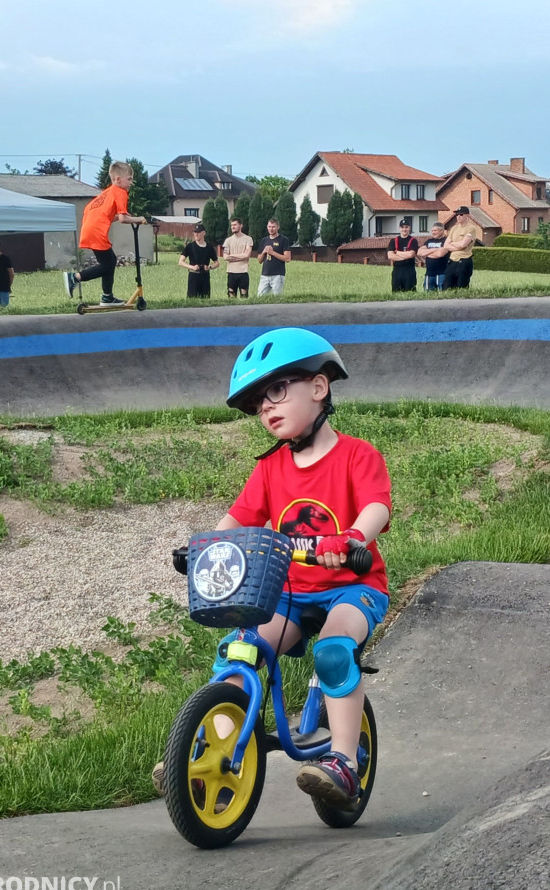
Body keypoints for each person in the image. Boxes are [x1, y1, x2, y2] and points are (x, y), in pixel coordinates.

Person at [153, 327, 392, 808]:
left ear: (319, 387)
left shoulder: (356, 455)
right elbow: (238, 519)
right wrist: (204, 547)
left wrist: (350, 539)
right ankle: (204, 746)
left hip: (353, 586)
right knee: (239, 649)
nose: (267, 406)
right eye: (260, 401)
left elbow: (376, 508)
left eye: (278, 390)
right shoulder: (270, 469)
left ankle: (344, 761)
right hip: (288, 592)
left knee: (332, 652)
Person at [63, 161, 147, 305]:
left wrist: (127, 217)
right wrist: (139, 219)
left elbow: (108, 216)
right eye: (129, 179)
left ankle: (107, 297)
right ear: (118, 179)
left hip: (89, 229)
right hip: (96, 232)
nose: (131, 182)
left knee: (109, 261)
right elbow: (123, 219)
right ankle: (75, 278)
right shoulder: (120, 192)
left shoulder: (107, 193)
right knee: (108, 264)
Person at [443, 206, 480, 289]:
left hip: (464, 260)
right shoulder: (454, 228)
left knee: (461, 286)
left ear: (468, 216)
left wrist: (452, 244)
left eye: (461, 214)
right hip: (452, 260)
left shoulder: (471, 228)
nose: (458, 216)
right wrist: (457, 246)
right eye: (457, 214)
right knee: (447, 286)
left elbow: (463, 244)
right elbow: (446, 245)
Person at [179, 224, 219, 298]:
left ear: (203, 233)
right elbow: (181, 262)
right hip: (193, 276)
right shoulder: (190, 247)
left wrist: (209, 267)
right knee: (192, 298)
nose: (196, 234)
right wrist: (192, 267)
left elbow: (217, 263)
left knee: (205, 298)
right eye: (195, 232)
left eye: (198, 232)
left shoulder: (209, 247)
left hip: (205, 276)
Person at [256, 219, 291, 296]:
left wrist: (273, 253)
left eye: (273, 227)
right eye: (269, 227)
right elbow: (259, 260)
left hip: (277, 275)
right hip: (265, 274)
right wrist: (264, 252)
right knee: (260, 296)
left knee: (277, 297)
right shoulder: (264, 240)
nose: (271, 229)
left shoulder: (283, 240)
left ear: (278, 227)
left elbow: (287, 258)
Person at [222, 217, 254, 298]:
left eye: (235, 225)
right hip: (231, 272)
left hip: (243, 272)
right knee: (231, 295)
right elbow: (225, 257)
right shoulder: (228, 240)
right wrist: (241, 256)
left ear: (241, 226)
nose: (233, 227)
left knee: (244, 295)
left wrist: (232, 256)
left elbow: (247, 255)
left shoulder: (248, 239)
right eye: (232, 225)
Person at [387, 219, 419, 292]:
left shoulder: (413, 240)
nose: (404, 229)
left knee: (410, 291)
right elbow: (390, 256)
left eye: (406, 227)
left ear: (409, 228)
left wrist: (397, 252)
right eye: (402, 227)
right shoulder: (393, 241)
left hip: (409, 270)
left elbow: (411, 254)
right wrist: (405, 257)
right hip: (397, 270)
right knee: (396, 292)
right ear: (399, 228)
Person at [417, 222, 450, 291]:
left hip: (442, 273)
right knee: (428, 294)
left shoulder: (446, 241)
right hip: (429, 273)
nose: (433, 232)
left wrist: (427, 253)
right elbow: (419, 252)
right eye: (432, 231)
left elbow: (440, 254)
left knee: (442, 293)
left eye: (435, 231)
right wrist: (435, 249)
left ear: (441, 231)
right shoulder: (429, 241)